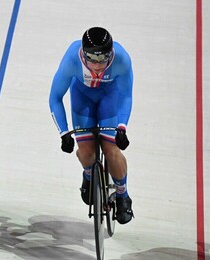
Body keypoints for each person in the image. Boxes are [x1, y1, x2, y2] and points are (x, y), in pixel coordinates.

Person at [48, 27, 134, 224]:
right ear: (83, 55)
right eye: (92, 59)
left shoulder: (122, 60)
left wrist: (122, 126)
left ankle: (123, 194)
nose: (97, 65)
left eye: (103, 59)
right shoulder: (72, 58)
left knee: (111, 149)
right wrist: (63, 132)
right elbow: (55, 97)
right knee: (86, 151)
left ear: (110, 54)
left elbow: (126, 96)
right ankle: (88, 173)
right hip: (82, 97)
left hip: (109, 98)